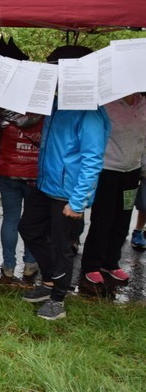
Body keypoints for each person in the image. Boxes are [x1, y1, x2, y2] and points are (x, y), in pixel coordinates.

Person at [18, 45, 110, 320]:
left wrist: (78, 201)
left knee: (62, 246)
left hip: (68, 194)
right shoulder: (58, 103)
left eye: (57, 68)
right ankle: (50, 280)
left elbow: (93, 159)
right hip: (46, 186)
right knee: (29, 228)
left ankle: (58, 299)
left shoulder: (90, 110)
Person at [80, 93, 146, 285]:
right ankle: (91, 265)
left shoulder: (143, 104)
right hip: (107, 170)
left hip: (132, 171)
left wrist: (143, 168)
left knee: (122, 219)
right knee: (102, 219)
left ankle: (111, 262)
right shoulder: (106, 104)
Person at [0, 108, 43, 282]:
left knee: (10, 218)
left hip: (8, 171)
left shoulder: (5, 111)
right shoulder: (46, 110)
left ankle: (9, 265)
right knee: (33, 220)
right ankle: (30, 263)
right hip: (35, 173)